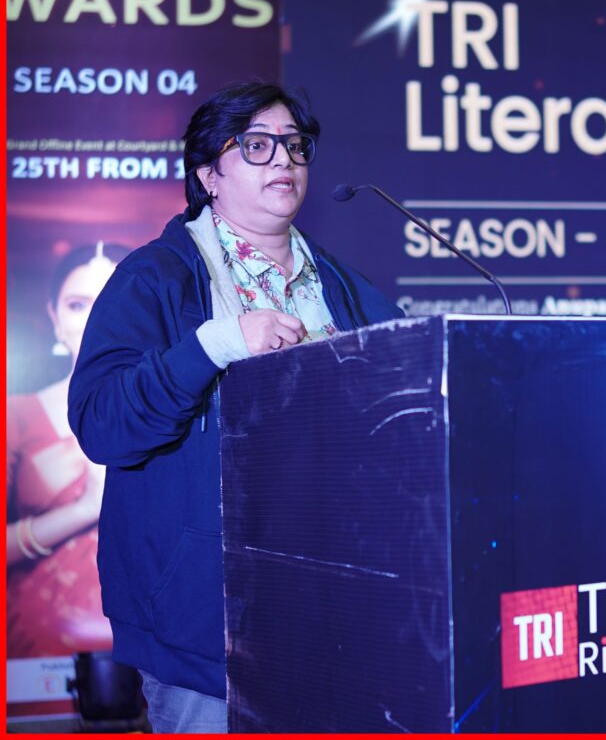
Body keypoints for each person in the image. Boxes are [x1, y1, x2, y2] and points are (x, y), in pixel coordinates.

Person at [67, 81, 404, 733]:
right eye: (256, 145)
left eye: (295, 145)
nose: (284, 159)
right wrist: (216, 345)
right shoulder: (156, 278)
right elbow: (104, 424)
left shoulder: (344, 288)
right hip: (206, 624)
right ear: (208, 175)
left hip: (335, 611)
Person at [7, 242, 129, 658]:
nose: (97, 318)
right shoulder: (16, 416)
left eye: (114, 300)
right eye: (78, 305)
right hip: (38, 651)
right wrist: (83, 509)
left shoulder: (181, 413)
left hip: (155, 647)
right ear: (55, 318)